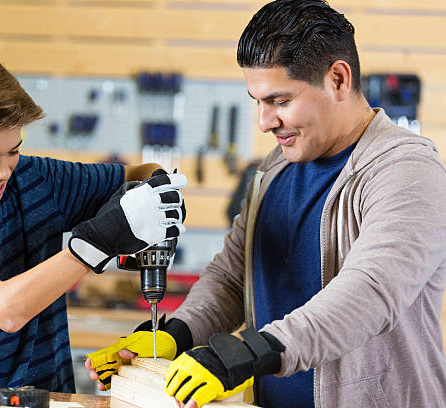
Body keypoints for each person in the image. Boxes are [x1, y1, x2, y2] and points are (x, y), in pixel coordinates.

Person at [85, 1, 446, 407]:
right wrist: (176, 334)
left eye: (280, 100)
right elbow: (232, 277)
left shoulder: (406, 169)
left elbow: (370, 293)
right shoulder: (275, 167)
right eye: (257, 101)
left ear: (339, 80)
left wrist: (247, 353)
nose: (264, 121)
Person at [0, 51, 187, 391]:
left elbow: (139, 173)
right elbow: (6, 310)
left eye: (13, 150)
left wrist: (158, 195)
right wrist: (99, 241)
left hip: (53, 397)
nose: (3, 172)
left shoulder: (34, 180)